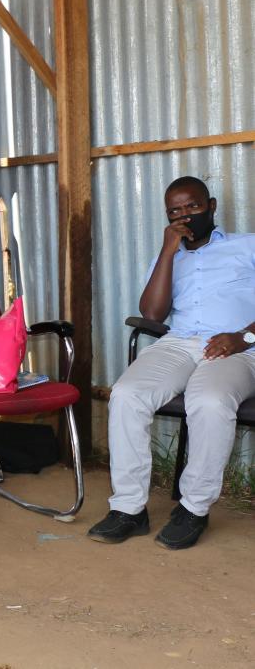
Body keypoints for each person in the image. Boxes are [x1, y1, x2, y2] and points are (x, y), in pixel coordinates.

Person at [88, 175, 255, 550]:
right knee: (127, 394)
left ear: (211, 206)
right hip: (179, 343)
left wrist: (243, 337)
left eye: (193, 207)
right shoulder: (169, 256)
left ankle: (194, 508)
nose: (185, 216)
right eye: (175, 211)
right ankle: (129, 509)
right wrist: (167, 252)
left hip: (238, 347)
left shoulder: (248, 247)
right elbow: (152, 312)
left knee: (209, 401)